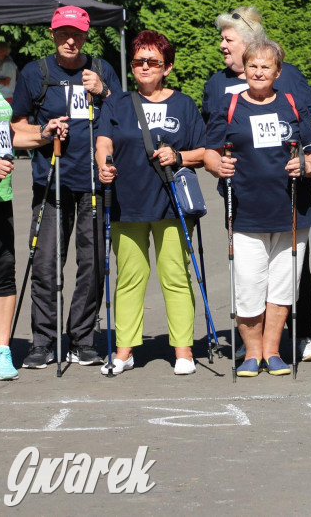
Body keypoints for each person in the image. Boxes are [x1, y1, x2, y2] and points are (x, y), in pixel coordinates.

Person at [202, 6, 311, 362]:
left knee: (286, 282)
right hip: (244, 204)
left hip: (287, 203)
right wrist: (216, 165)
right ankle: (252, 348)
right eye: (252, 65)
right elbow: (210, 146)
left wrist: (309, 162)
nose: (223, 46)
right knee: (250, 282)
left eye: (229, 39)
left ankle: (284, 345)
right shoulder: (222, 91)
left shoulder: (289, 90)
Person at [11, 5, 123, 368]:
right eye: (63, 34)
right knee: (45, 264)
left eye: (76, 34)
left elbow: (122, 115)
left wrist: (103, 90)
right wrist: (44, 133)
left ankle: (82, 338)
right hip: (51, 183)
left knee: (93, 265)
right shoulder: (36, 73)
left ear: (87, 36)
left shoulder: (103, 69)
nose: (70, 40)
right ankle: (42, 341)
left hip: (93, 183)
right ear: (53, 34)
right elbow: (16, 126)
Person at [94, 31, 206, 375]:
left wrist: (179, 154)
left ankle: (183, 351)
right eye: (139, 61)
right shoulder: (118, 102)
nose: (144, 66)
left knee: (176, 275)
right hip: (127, 201)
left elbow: (203, 152)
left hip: (171, 203)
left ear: (167, 67)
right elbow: (103, 141)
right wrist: (103, 165)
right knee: (130, 276)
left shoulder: (184, 104)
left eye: (153, 61)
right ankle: (124, 351)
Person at [0, 93, 68, 380]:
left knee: (2, 276)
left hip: (0, 197)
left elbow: (9, 135)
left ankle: (1, 349)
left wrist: (43, 134)